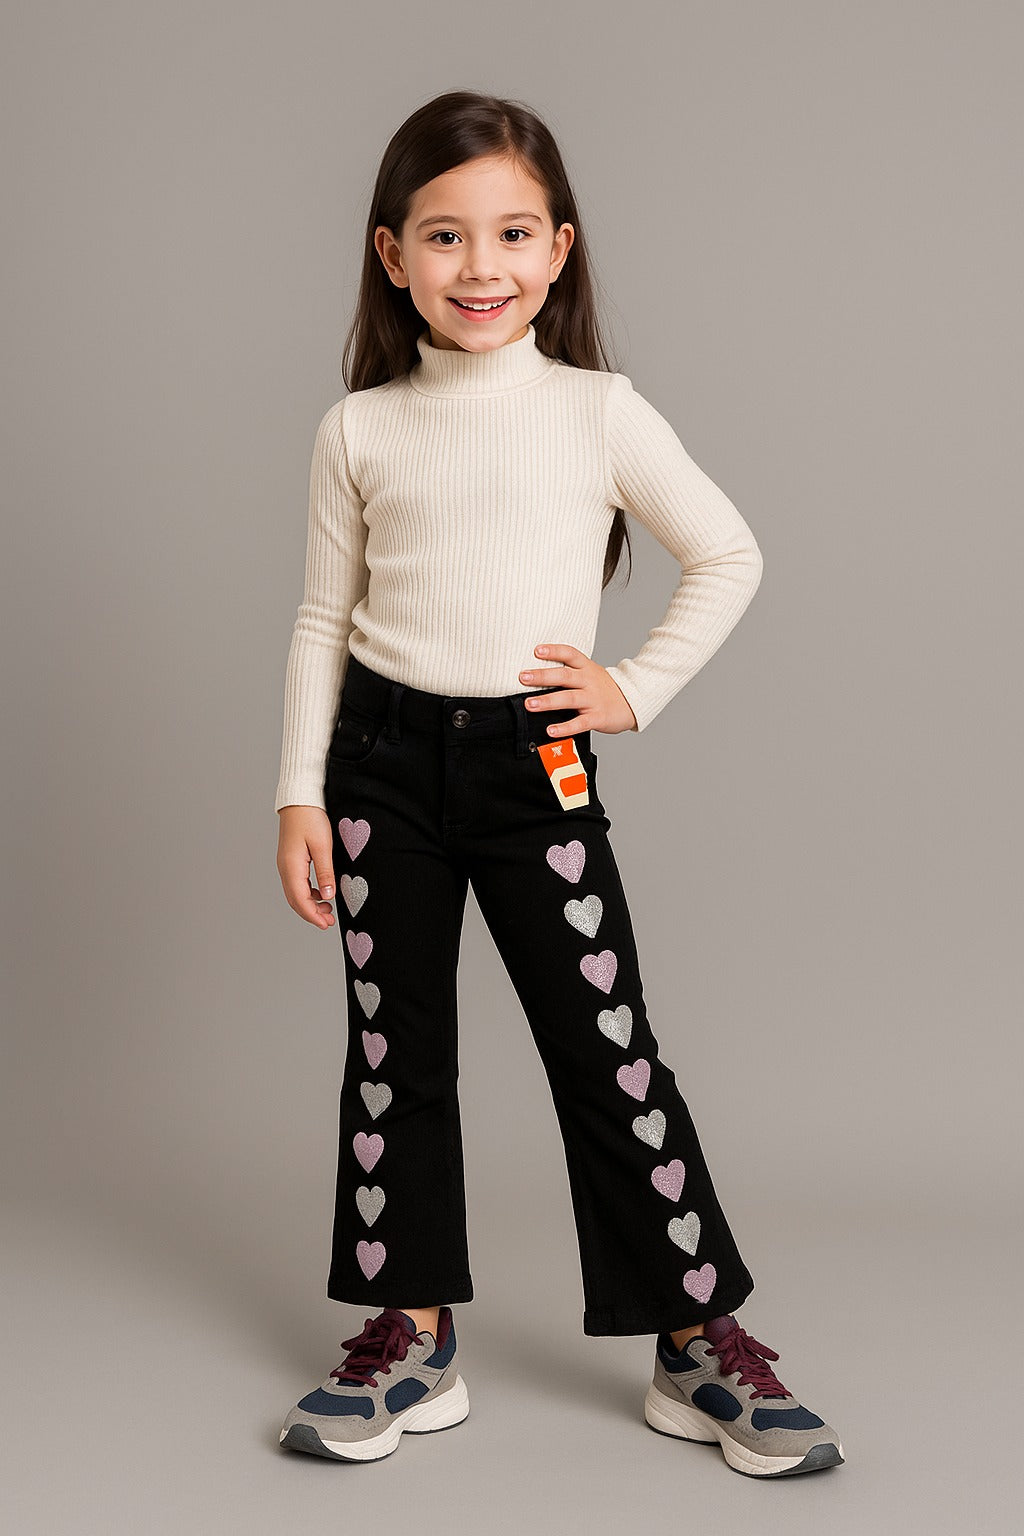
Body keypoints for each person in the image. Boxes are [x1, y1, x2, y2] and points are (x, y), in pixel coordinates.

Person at [273, 89, 844, 1477]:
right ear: (392, 254)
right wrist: (298, 792)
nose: (483, 267)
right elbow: (322, 619)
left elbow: (729, 553)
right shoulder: (361, 429)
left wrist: (632, 688)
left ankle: (694, 1338)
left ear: (560, 247)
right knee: (394, 1052)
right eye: (446, 235)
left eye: (514, 233)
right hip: (380, 768)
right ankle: (410, 1333)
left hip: (536, 769)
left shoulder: (598, 412)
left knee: (608, 1049)